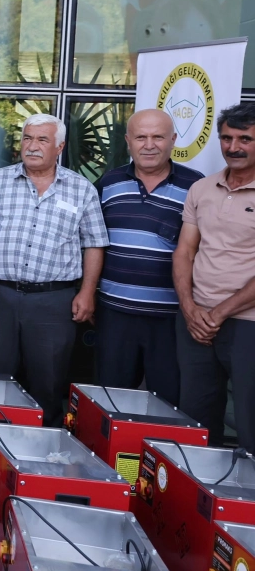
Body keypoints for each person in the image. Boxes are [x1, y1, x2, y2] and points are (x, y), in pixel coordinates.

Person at [0, 113, 107, 425]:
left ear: (59, 147)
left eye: (42, 140)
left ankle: (46, 446)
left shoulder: (81, 189)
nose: (32, 146)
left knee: (48, 382)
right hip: (0, 296)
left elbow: (94, 244)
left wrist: (87, 292)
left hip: (53, 301)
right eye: (27, 138)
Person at [93, 108, 201, 405]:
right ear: (128, 141)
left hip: (171, 319)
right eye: (141, 137)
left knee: (169, 403)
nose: (149, 145)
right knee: (110, 400)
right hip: (114, 314)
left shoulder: (196, 186)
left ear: (173, 140)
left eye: (158, 137)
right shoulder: (108, 183)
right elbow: (90, 242)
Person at [175, 102, 255, 447]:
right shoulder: (202, 188)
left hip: (247, 323)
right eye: (226, 138)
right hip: (196, 321)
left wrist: (218, 313)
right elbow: (185, 251)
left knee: (249, 421)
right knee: (196, 420)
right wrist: (189, 308)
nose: (233, 147)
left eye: (245, 139)